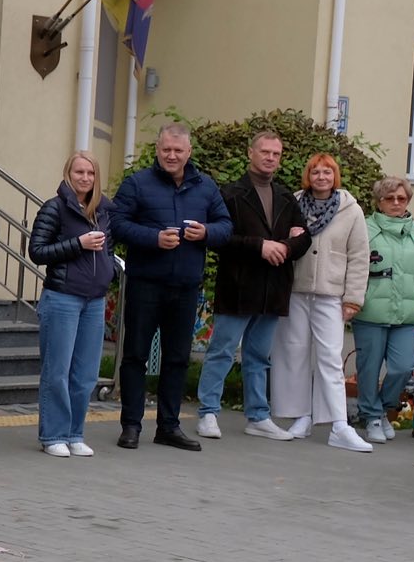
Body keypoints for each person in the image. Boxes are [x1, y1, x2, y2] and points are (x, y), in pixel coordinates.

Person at [107, 123, 230, 451]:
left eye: (178, 150)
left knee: (177, 359)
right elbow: (116, 224)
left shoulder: (206, 186)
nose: (171, 156)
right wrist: (154, 238)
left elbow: (225, 226)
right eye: (166, 150)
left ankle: (169, 426)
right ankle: (131, 426)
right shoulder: (137, 183)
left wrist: (206, 233)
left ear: (189, 152)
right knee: (135, 355)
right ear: (157, 150)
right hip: (145, 283)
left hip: (186, 286)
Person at [195, 131, 308, 441]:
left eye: (276, 153)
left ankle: (258, 416)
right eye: (265, 151)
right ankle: (208, 412)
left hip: (273, 288)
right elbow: (218, 238)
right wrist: (259, 246)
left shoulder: (286, 197)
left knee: (259, 356)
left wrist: (285, 246)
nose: (270, 157)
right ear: (250, 153)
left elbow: (304, 238)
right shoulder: (230, 194)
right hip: (239, 285)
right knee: (222, 351)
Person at [272, 154, 371, 450]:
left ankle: (339, 424)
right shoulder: (294, 203)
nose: (321, 177)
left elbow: (359, 256)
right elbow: (279, 239)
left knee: (329, 357)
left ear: (335, 176)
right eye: (315, 172)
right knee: (294, 352)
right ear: (308, 176)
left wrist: (353, 298)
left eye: (327, 172)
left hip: (331, 294)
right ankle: (301, 416)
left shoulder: (350, 209)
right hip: (296, 290)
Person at [28, 151, 115, 457]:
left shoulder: (103, 211)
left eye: (91, 173)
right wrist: (78, 244)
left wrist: (108, 271)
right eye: (79, 172)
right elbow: (37, 251)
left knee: (86, 374)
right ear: (68, 174)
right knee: (57, 371)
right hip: (62, 297)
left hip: (94, 301)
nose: (85, 178)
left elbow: (109, 248)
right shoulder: (54, 208)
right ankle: (53, 435)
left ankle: (75, 433)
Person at [355, 177, 414, 442]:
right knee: (369, 369)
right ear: (379, 202)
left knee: (404, 367)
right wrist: (359, 297)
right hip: (370, 312)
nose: (396, 203)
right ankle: (372, 416)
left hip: (407, 315)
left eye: (401, 198)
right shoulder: (363, 229)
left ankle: (383, 409)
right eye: (389, 198)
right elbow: (352, 267)